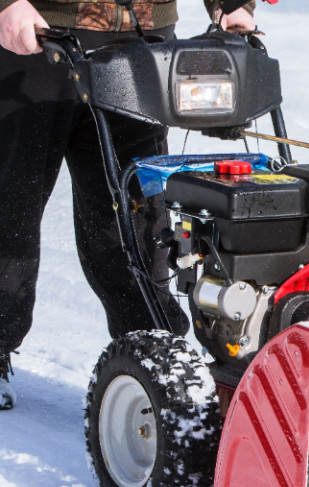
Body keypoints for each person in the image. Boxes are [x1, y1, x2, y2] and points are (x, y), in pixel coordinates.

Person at [0, 0, 256, 410]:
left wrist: (231, 4)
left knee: (135, 217)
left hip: (142, 42)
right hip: (33, 35)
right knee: (12, 205)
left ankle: (152, 361)